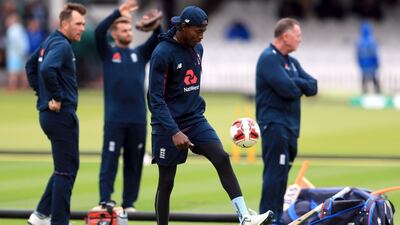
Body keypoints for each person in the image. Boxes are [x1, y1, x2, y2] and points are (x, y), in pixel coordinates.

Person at [148, 6, 274, 225]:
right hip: (167, 124)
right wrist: (174, 131)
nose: (202, 36)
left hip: (195, 119)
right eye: (198, 31)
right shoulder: (162, 53)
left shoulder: (198, 49)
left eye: (204, 31)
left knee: (222, 158)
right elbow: (155, 100)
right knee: (166, 181)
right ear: (184, 27)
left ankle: (244, 217)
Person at [95, 0, 162, 211]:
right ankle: (106, 199)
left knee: (134, 164)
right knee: (110, 161)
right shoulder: (108, 53)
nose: (128, 32)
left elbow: (157, 39)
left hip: (138, 119)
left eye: (129, 29)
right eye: (123, 29)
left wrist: (156, 24)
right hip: (115, 119)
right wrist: (117, 13)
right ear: (114, 34)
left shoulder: (139, 54)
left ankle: (129, 203)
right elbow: (98, 32)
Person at [25, 3, 86, 225]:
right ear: (64, 24)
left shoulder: (50, 41)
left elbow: (30, 65)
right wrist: (56, 97)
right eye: (78, 24)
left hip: (51, 115)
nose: (82, 28)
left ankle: (40, 215)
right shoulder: (61, 46)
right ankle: (58, 221)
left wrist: (41, 94)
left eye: (83, 24)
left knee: (66, 166)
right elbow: (45, 69)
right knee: (66, 171)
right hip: (61, 115)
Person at [255, 18, 318, 224]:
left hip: (291, 127)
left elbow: (313, 86)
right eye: (297, 35)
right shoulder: (268, 58)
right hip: (274, 124)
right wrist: (298, 84)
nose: (300, 39)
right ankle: (269, 218)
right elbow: (288, 90)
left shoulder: (291, 62)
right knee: (275, 175)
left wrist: (296, 83)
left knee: (281, 177)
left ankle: (275, 216)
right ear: (285, 36)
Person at [5, 13, 29, 91]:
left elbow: (14, 42)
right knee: (22, 72)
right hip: (22, 53)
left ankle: (12, 88)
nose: (6, 21)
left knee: (13, 72)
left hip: (14, 54)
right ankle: (25, 88)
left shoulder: (12, 29)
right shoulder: (20, 28)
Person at [356, 21, 380, 94]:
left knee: (364, 78)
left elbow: (358, 55)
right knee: (373, 78)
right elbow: (374, 54)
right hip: (371, 64)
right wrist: (377, 63)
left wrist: (359, 63)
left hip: (364, 64)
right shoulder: (372, 40)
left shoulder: (359, 41)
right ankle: (378, 92)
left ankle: (364, 92)